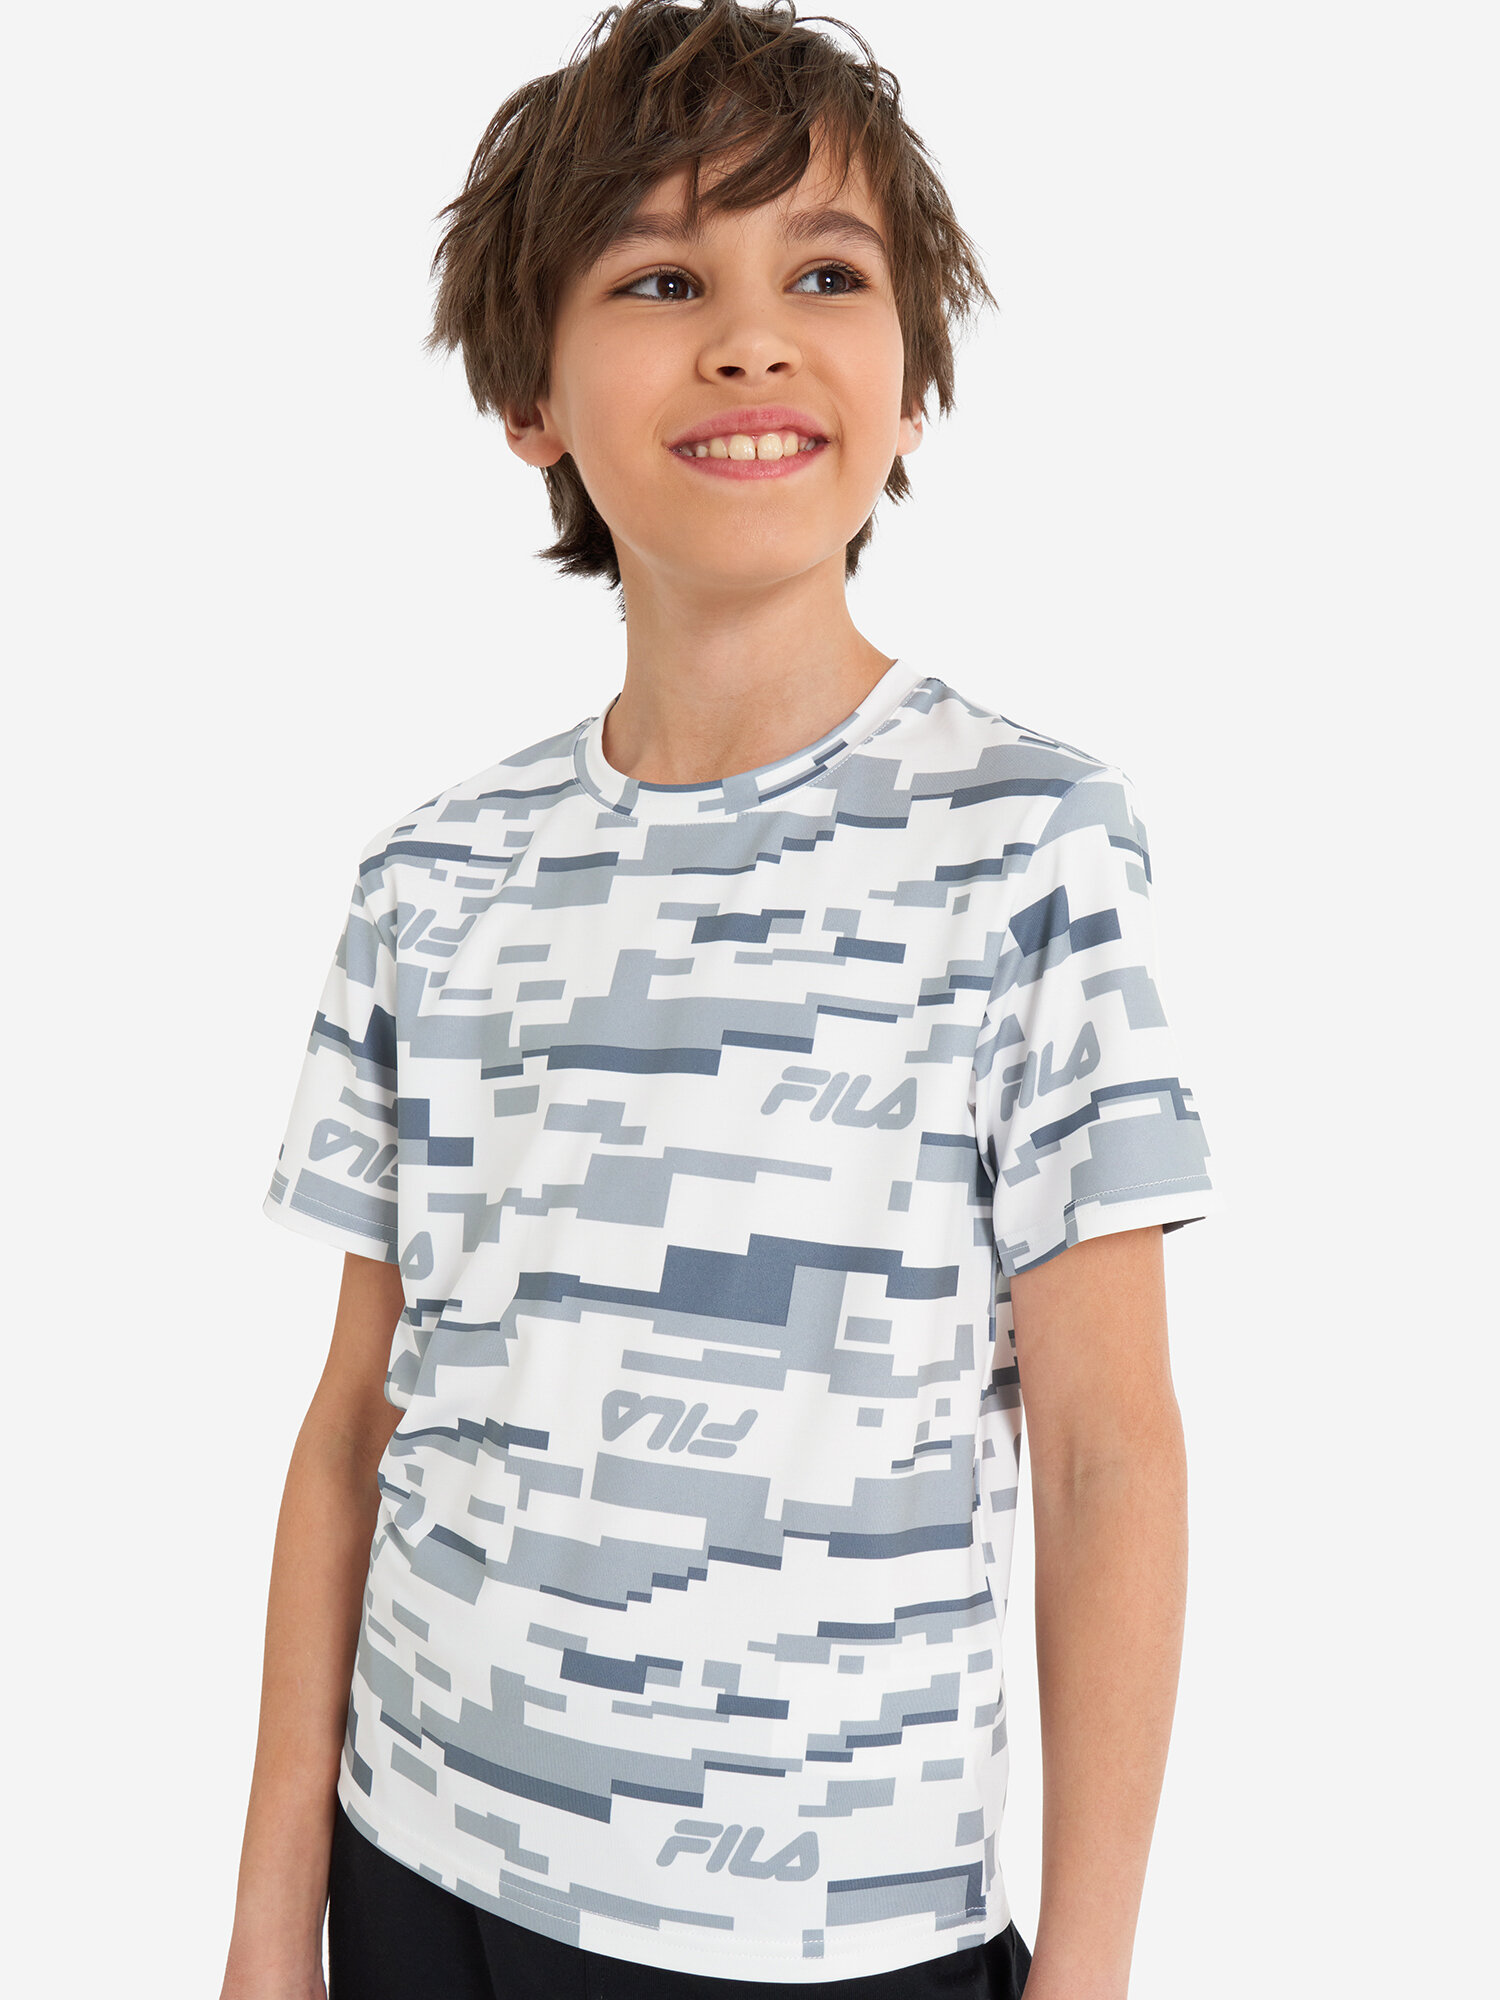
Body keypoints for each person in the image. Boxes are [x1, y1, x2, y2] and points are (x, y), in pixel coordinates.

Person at [220, 4, 1216, 1996]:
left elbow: (1112, 1451)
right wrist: (267, 1926)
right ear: (530, 395)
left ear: (913, 382)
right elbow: (354, 1424)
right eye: (664, 280)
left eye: (826, 276)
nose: (753, 339)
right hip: (415, 1864)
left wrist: (1092, 1975)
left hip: (819, 1934)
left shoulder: (1031, 845)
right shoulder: (433, 873)